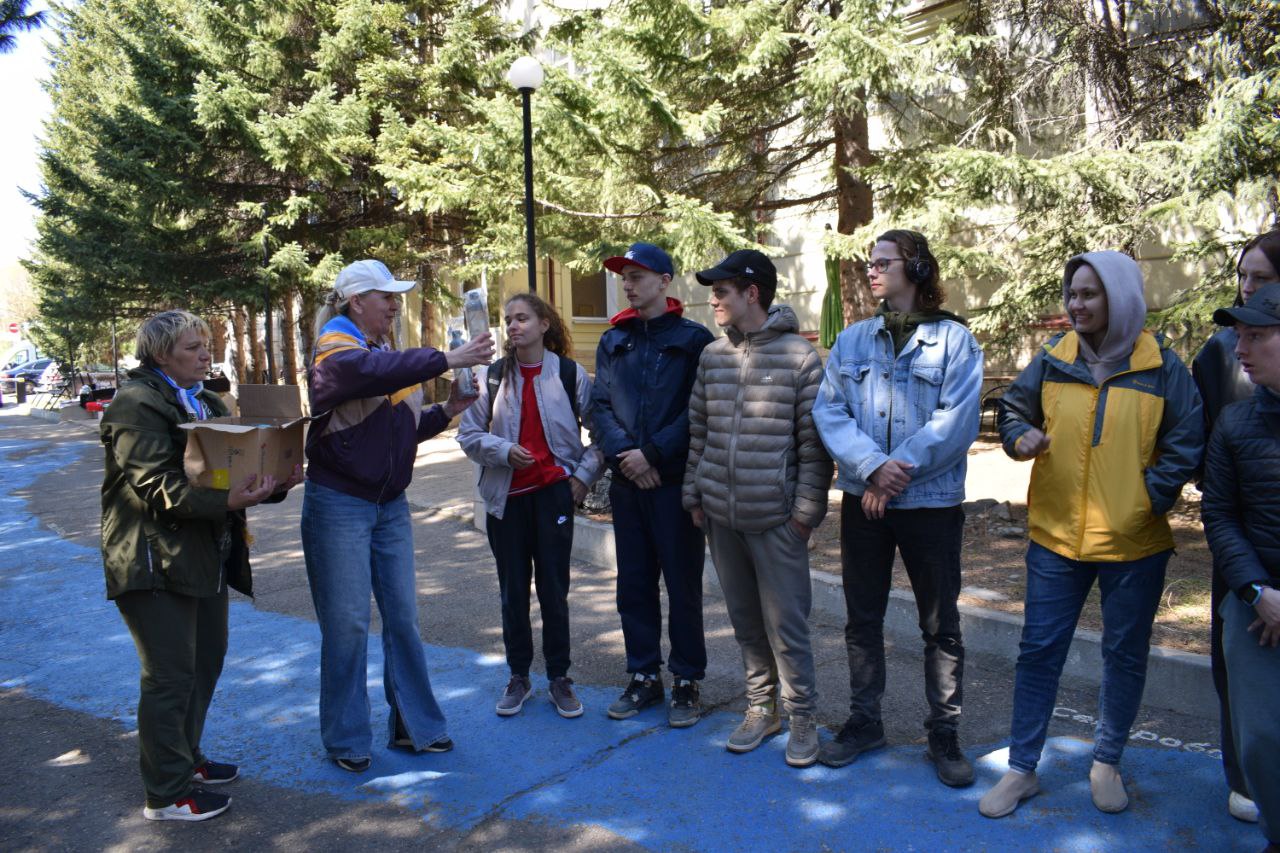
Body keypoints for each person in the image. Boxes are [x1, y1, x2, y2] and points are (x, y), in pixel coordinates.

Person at [980, 251, 1203, 818]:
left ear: (1120, 298)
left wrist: (1149, 499)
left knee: (1124, 655)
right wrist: (1019, 435)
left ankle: (1106, 761)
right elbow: (1012, 410)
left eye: (1089, 294)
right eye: (1071, 294)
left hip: (1135, 544)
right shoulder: (1054, 358)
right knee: (1039, 653)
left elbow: (1186, 441)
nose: (1075, 305)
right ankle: (1022, 770)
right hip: (1056, 539)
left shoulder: (1164, 367)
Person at [100, 310, 302, 821]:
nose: (205, 354)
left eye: (206, 344)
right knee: (169, 676)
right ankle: (166, 793)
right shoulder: (136, 402)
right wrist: (230, 501)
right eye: (193, 347)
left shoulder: (208, 400)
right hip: (151, 557)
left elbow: (238, 469)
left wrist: (275, 481)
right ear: (161, 353)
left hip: (203, 553)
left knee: (205, 661)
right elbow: (156, 486)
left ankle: (186, 757)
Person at [301, 259, 493, 773]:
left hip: (390, 504)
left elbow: (398, 430)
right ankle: (346, 738)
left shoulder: (384, 353)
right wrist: (449, 357)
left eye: (396, 296)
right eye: (385, 296)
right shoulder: (335, 348)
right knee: (346, 625)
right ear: (355, 301)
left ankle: (414, 727)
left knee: (403, 620)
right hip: (339, 503)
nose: (394, 304)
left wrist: (448, 410)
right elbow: (363, 376)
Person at [812, 230, 983, 786]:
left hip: (929, 503)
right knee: (862, 617)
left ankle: (944, 731)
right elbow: (830, 411)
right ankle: (865, 722)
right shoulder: (853, 340)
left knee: (940, 623)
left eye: (882, 262)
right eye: (870, 262)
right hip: (865, 499)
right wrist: (869, 467)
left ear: (917, 268)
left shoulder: (955, 341)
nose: (871, 270)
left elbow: (955, 421)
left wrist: (895, 471)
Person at [682, 249, 833, 767]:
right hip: (722, 517)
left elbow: (814, 446)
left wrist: (804, 514)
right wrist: (694, 494)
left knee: (787, 627)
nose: (714, 300)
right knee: (746, 622)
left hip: (776, 520)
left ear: (752, 293)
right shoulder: (712, 356)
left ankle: (803, 718)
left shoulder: (799, 356)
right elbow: (698, 432)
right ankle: (761, 708)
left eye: (722, 291)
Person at [457, 293, 603, 718]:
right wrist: (503, 451)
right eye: (508, 319)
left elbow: (602, 433)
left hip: (553, 495)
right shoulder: (494, 377)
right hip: (507, 502)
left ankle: (559, 677)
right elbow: (468, 435)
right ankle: (518, 675)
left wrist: (581, 477)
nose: (514, 326)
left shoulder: (571, 374)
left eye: (523, 318)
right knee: (512, 592)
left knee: (554, 591)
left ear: (544, 324)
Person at [590, 242, 715, 726]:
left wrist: (654, 454)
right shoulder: (613, 340)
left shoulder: (694, 340)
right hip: (628, 483)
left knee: (682, 584)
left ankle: (687, 679)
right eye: (625, 276)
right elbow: (598, 406)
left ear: (664, 281)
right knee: (634, 585)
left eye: (638, 275)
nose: (628, 283)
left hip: (672, 482)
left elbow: (697, 411)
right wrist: (627, 456)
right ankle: (644, 676)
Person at [1192, 229, 1280, 825]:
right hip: (1251, 583)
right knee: (1255, 720)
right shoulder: (1231, 402)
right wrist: (1256, 590)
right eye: (1242, 276)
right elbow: (1218, 507)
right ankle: (1253, 791)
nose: (1240, 346)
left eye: (1262, 279)